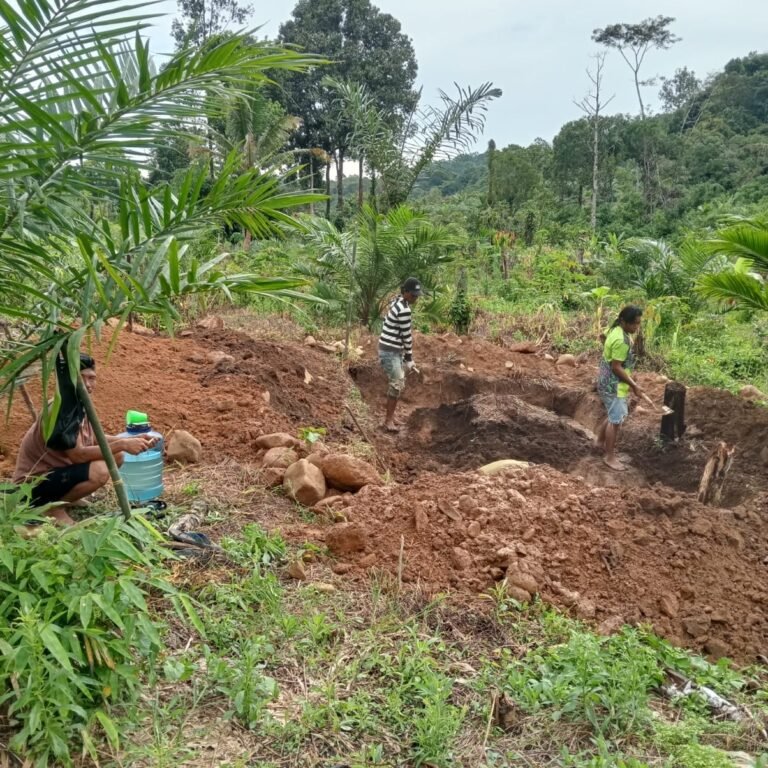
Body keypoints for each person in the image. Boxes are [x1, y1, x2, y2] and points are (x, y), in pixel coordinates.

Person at [13, 353, 157, 525]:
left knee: (117, 455)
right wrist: (123, 444)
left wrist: (130, 439)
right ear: (69, 379)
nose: (88, 384)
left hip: (56, 475)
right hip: (31, 486)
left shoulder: (77, 404)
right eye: (81, 378)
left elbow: (95, 438)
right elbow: (78, 455)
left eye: (91, 378)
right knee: (100, 470)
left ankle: (68, 498)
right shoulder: (61, 410)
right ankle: (52, 508)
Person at [595, 305, 645, 471]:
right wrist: (634, 385)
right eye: (634, 324)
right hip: (614, 385)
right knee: (616, 420)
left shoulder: (614, 329)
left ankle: (600, 442)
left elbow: (602, 336)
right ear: (623, 321)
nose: (636, 327)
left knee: (612, 414)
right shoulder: (621, 341)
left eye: (638, 324)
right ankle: (609, 456)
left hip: (605, 380)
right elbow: (616, 367)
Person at [379, 277, 422, 432]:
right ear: (405, 292)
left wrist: (404, 356)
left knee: (399, 383)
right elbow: (406, 336)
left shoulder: (397, 301)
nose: (415, 298)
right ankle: (388, 422)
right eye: (413, 295)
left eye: (417, 295)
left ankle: (392, 417)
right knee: (396, 384)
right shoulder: (404, 310)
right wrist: (409, 358)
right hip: (389, 351)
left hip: (391, 349)